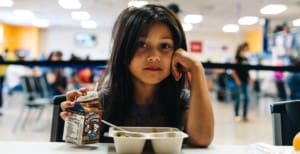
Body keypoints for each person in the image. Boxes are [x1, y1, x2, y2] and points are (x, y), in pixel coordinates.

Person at [59, 4, 214, 147]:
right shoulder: (105, 101)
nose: (154, 56)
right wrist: (76, 120)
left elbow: (202, 139)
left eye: (165, 46)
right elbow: (82, 145)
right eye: (141, 45)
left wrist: (196, 68)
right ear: (124, 51)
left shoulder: (181, 100)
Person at [231, 42, 251, 122]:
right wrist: (237, 80)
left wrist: (250, 78)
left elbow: (247, 70)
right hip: (238, 82)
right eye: (245, 49)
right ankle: (236, 115)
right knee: (238, 99)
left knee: (246, 98)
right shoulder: (236, 59)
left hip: (245, 81)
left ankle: (245, 115)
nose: (246, 50)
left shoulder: (246, 59)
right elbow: (233, 71)